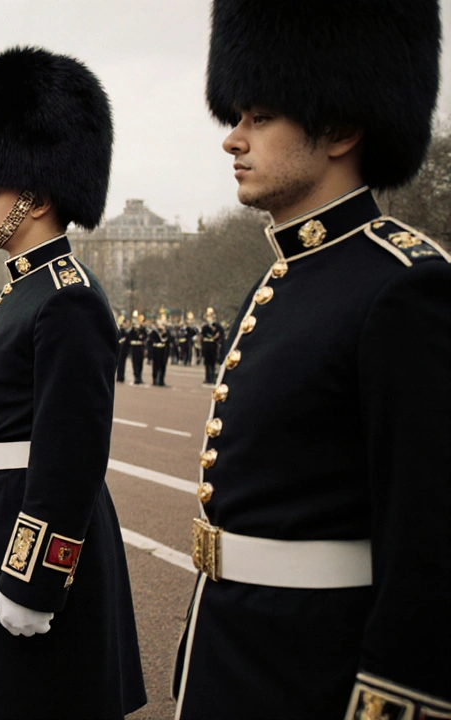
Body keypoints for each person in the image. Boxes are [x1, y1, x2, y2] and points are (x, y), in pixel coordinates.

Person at [174, 3, 450, 718]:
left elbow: (428, 542)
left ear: (341, 128)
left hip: (313, 673)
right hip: (234, 645)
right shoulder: (276, 279)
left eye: (259, 117)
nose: (232, 140)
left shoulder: (405, 285)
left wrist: (396, 699)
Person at [0, 47, 145, 720]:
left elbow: (70, 457)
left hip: (37, 536)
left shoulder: (67, 298)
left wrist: (36, 576)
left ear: (38, 192)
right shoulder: (23, 292)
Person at [197, 308, 224, 385]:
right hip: (206, 347)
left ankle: (212, 378)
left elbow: (220, 335)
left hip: (213, 347)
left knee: (212, 363)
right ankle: (207, 378)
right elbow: (202, 336)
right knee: (207, 363)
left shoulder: (218, 327)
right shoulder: (205, 327)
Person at [148, 319, 170, 387]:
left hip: (163, 350)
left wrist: (164, 332)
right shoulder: (154, 332)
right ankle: (154, 380)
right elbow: (151, 341)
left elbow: (168, 341)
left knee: (163, 366)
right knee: (155, 366)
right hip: (156, 350)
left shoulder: (166, 332)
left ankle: (161, 380)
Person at [127, 313, 147, 385]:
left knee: (140, 363)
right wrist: (133, 328)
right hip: (134, 348)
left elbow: (145, 337)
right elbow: (129, 338)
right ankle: (136, 377)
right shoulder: (132, 330)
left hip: (140, 347)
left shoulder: (143, 330)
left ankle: (139, 377)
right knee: (135, 363)